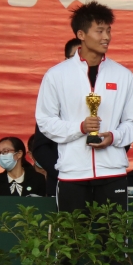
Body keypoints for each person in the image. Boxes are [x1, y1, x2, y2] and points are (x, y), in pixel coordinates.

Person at [35, 1, 133, 265]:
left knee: (116, 246)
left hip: (113, 173)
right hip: (72, 174)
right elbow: (45, 121)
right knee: (68, 246)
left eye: (109, 31)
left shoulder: (123, 75)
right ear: (81, 35)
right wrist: (79, 128)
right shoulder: (57, 75)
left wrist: (113, 137)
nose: (106, 37)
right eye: (100, 31)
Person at [32, 38, 85, 196]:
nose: (81, 62)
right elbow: (41, 147)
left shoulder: (107, 89)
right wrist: (62, 171)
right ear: (65, 60)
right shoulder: (54, 93)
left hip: (102, 180)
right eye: (75, 57)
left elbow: (120, 135)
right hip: (62, 181)